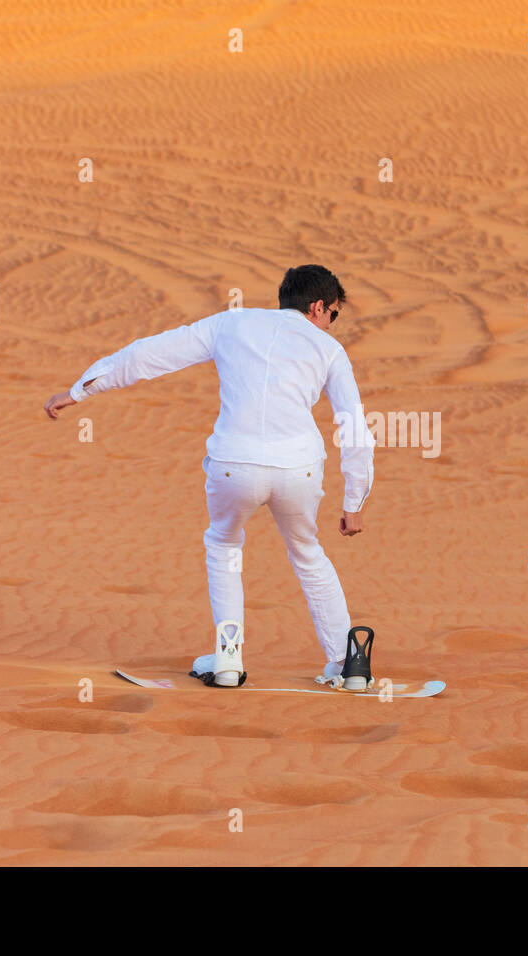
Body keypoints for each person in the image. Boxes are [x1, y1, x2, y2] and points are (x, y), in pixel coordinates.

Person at [43, 265, 375, 690]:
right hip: (299, 469)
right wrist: (354, 501)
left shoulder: (230, 323)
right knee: (308, 553)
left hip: (233, 465)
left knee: (223, 545)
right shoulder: (328, 350)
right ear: (317, 307)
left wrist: (79, 390)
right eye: (333, 314)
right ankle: (348, 666)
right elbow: (354, 426)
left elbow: (147, 355)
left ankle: (229, 660)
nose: (332, 324)